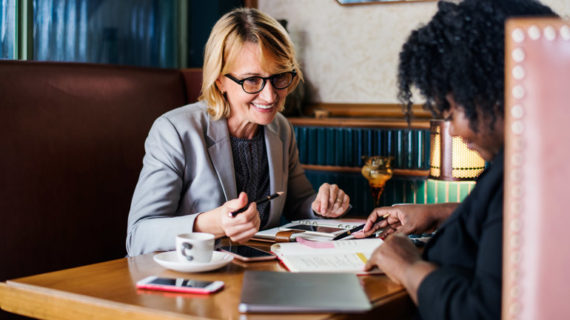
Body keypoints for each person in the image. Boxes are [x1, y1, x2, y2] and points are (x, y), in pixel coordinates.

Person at [354, 0, 557, 319]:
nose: (455, 130)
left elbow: (479, 312)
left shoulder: (524, 177)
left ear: (494, 90)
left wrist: (408, 267)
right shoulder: (536, 160)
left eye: (451, 111)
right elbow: (504, 223)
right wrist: (438, 212)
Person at [126, 8, 351, 256]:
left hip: (260, 277)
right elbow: (138, 237)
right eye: (252, 80)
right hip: (190, 281)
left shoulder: (281, 128)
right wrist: (213, 224)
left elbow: (299, 203)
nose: (270, 96)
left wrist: (322, 206)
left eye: (279, 77)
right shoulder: (175, 131)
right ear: (220, 80)